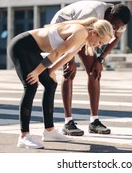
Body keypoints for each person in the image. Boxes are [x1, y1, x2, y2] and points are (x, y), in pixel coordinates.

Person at [8, 17, 114, 149]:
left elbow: (68, 56)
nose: (99, 46)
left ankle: (49, 131)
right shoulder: (80, 32)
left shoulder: (84, 37)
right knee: (31, 84)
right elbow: (57, 52)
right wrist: (36, 72)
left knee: (51, 84)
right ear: (94, 33)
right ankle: (24, 136)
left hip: (32, 50)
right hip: (21, 46)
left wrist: (51, 71)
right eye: (100, 42)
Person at [51, 0, 131, 136]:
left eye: (119, 27)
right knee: (69, 72)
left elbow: (116, 38)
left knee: (95, 72)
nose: (116, 29)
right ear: (110, 17)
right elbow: (73, 35)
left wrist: (100, 59)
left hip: (86, 34)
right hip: (64, 29)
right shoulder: (92, 12)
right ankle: (68, 122)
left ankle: (94, 121)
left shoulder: (119, 22)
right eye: (115, 26)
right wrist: (69, 60)